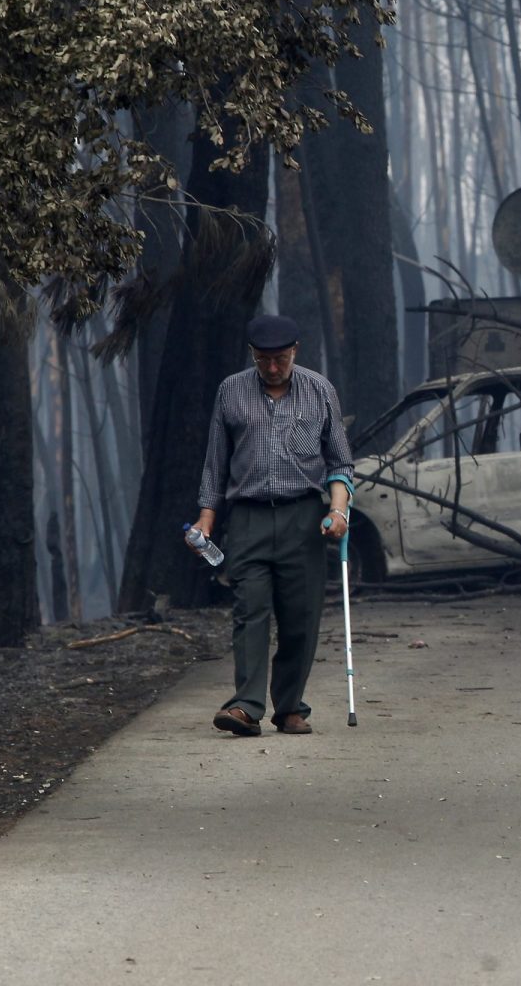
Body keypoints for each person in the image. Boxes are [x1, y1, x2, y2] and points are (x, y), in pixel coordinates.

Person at [193, 313, 353, 736]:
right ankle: (245, 706)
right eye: (264, 359)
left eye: (280, 359)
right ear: (253, 355)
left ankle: (290, 707)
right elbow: (215, 464)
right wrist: (206, 520)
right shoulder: (231, 391)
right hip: (247, 518)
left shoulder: (319, 390)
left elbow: (340, 462)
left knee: (301, 617)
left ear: (294, 352)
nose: (272, 368)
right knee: (250, 612)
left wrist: (338, 512)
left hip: (304, 517)